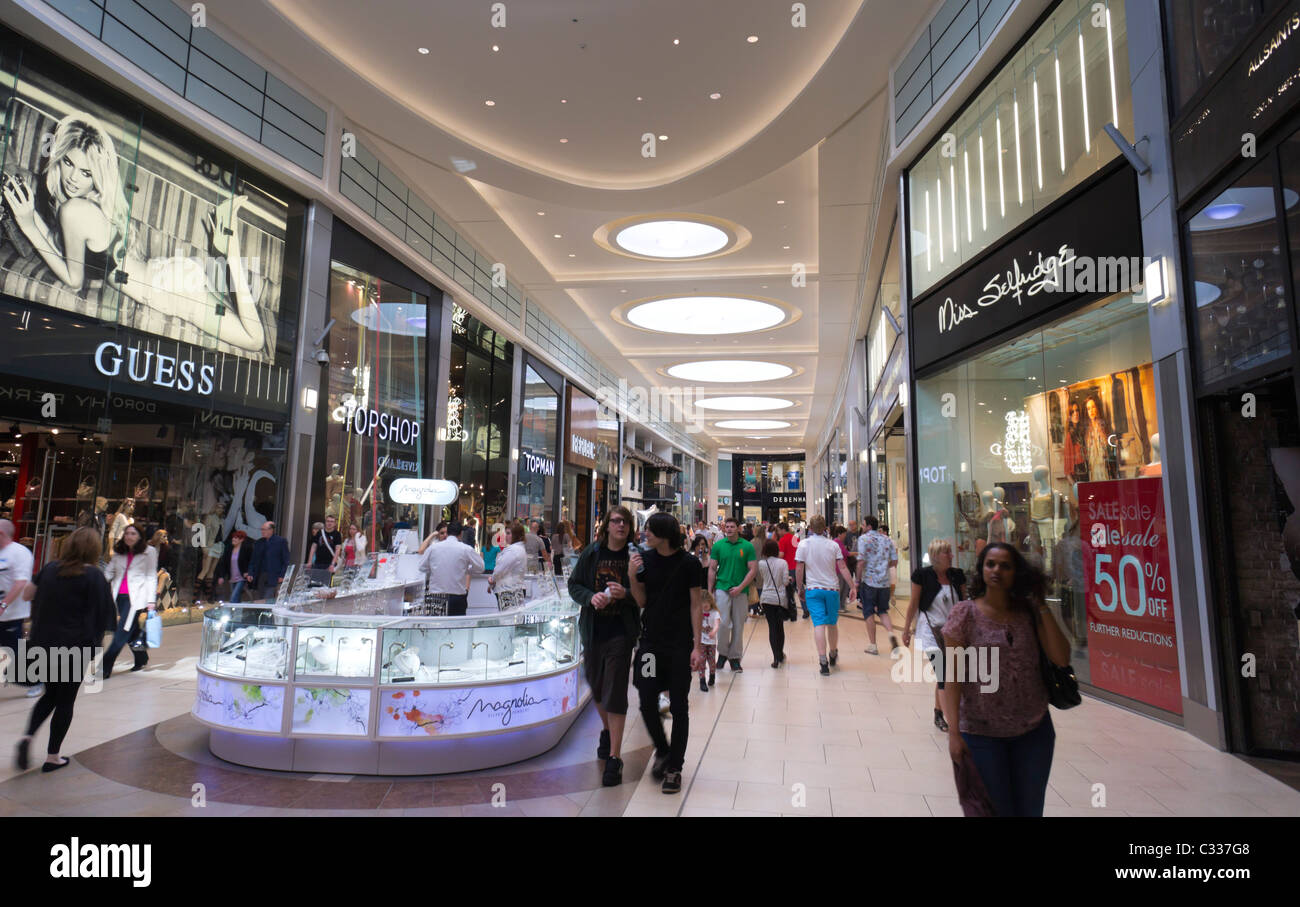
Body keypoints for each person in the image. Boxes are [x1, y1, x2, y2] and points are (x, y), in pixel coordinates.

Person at [1, 114, 269, 352]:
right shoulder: (83, 204)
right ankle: (226, 245)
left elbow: (73, 279)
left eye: (86, 172)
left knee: (254, 340)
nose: (73, 178)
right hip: (165, 276)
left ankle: (230, 247)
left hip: (169, 290)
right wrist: (30, 216)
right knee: (241, 315)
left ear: (97, 175)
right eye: (69, 163)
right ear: (59, 158)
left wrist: (27, 224)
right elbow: (63, 250)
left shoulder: (74, 209)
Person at [942, 542, 1070, 817]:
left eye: (1005, 565)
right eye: (990, 564)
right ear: (981, 570)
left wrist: (1041, 606)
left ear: (1016, 573)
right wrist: (954, 733)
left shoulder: (1029, 613)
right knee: (996, 811)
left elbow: (1061, 658)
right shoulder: (965, 614)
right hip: (981, 734)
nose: (996, 570)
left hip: (1034, 731)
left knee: (1030, 810)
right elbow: (951, 678)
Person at [13, 527, 115, 773]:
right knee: (65, 701)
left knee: (49, 694)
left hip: (44, 643)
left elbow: (27, 595)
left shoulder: (50, 569)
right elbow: (107, 616)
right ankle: (52, 757)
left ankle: (27, 737)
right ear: (94, 549)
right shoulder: (95, 576)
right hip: (75, 647)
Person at [627, 512, 705, 794]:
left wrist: (697, 646)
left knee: (679, 706)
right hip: (650, 644)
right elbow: (641, 601)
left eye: (649, 530)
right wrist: (632, 577)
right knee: (647, 698)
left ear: (664, 534)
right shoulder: (644, 561)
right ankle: (662, 749)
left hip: (679, 645)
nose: (644, 534)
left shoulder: (689, 564)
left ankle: (675, 767)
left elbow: (696, 604)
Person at [567, 506, 639, 786]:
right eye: (616, 521)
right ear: (607, 525)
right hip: (594, 630)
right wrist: (590, 597)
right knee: (596, 686)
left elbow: (645, 594)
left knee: (616, 690)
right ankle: (607, 730)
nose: (620, 525)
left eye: (625, 522)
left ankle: (615, 758)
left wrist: (628, 594)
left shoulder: (635, 557)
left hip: (622, 632)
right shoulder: (592, 553)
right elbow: (574, 585)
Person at [902, 538, 967, 732]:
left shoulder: (957, 575)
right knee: (944, 673)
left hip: (953, 633)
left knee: (949, 675)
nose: (951, 555)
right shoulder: (922, 575)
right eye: (947, 552)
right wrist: (906, 630)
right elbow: (913, 603)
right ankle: (953, 722)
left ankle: (939, 712)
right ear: (936, 556)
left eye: (950, 552)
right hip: (930, 631)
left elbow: (964, 602)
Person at [795, 515, 857, 675]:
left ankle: (823, 661)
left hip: (813, 589)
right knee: (832, 623)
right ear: (825, 528)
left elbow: (799, 568)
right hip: (832, 590)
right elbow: (843, 567)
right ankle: (833, 652)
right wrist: (852, 586)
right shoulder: (833, 545)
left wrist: (799, 587)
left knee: (819, 625)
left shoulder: (803, 545)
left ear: (810, 528)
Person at [101, 524, 157, 678]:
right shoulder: (119, 553)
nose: (129, 536)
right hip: (119, 596)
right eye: (127, 533)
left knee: (122, 630)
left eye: (133, 533)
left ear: (140, 536)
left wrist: (151, 601)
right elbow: (109, 571)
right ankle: (141, 657)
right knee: (132, 630)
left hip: (137, 598)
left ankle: (106, 665)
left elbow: (151, 576)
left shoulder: (149, 552)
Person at [708, 517, 757, 673]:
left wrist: (741, 586)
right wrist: (710, 590)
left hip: (741, 591)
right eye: (726, 526)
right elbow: (712, 569)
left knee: (738, 625)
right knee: (722, 624)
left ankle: (734, 657)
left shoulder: (747, 546)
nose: (728, 529)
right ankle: (722, 654)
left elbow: (753, 569)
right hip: (722, 588)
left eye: (732, 527)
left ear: (738, 529)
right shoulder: (718, 546)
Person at [418, 521, 484, 616]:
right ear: (461, 534)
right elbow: (480, 567)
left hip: (436, 596)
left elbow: (421, 567)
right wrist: (466, 570)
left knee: (435, 627)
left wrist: (434, 569)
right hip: (457, 596)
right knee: (456, 627)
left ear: (447, 533)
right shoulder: (466, 549)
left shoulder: (433, 548)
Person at [856, 516, 900, 655]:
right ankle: (892, 635)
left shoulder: (863, 539)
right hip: (884, 582)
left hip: (869, 581)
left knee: (868, 612)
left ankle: (873, 645)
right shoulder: (887, 539)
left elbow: (861, 561)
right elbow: (894, 562)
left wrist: (857, 580)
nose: (862, 527)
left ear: (869, 526)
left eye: (863, 524)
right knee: (882, 611)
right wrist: (883, 567)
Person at [0, 520, 34, 689]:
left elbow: (20, 583)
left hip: (12, 613)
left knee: (12, 654)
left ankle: (35, 680)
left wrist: (3, 605)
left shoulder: (20, 553)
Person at [757, 539, 790, 669]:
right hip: (779, 598)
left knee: (772, 627)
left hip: (766, 598)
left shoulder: (761, 563)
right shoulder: (783, 563)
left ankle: (775, 658)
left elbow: (764, 578)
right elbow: (785, 582)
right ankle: (780, 653)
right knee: (779, 627)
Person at [246, 521, 291, 601]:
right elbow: (253, 560)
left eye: (264, 529)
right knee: (260, 597)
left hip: (274, 575)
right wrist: (250, 573)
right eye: (261, 529)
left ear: (271, 530)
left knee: (268, 597)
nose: (262, 532)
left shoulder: (281, 541)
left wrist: (282, 575)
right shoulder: (258, 543)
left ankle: (266, 612)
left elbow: (286, 560)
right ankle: (261, 612)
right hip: (260, 575)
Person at [488, 522, 529, 603]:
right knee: (512, 614)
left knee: (508, 614)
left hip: (509, 590)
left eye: (508, 533)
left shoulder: (513, 550)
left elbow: (500, 569)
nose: (505, 536)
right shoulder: (518, 548)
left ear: (516, 535)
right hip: (514, 589)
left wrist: (492, 579)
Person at [776, 522, 804, 618]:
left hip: (787, 568)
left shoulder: (783, 540)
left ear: (783, 530)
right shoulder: (795, 538)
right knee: (800, 589)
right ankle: (806, 609)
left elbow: (781, 555)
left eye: (779, 530)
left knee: (788, 592)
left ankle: (790, 611)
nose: (778, 532)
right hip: (798, 566)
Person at [214, 530, 251, 602]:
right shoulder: (229, 549)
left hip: (241, 578)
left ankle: (231, 611)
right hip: (232, 578)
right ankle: (237, 612)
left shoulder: (246, 549)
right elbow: (224, 564)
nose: (233, 539)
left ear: (241, 540)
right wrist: (221, 576)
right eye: (233, 537)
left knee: (233, 597)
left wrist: (248, 572)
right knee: (237, 598)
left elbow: (251, 562)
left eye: (236, 538)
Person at [306, 515, 342, 582]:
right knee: (314, 583)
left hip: (329, 563)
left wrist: (332, 564)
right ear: (325, 522)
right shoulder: (319, 533)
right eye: (328, 521)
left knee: (325, 584)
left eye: (332, 521)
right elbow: (313, 547)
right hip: (318, 563)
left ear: (334, 524)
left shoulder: (337, 534)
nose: (329, 523)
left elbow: (337, 550)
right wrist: (309, 561)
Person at [698, 591, 720, 692]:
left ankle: (712, 675)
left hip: (711, 642)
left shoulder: (715, 613)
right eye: (702, 605)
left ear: (711, 602)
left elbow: (716, 625)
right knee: (701, 661)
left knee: (711, 661)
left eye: (706, 604)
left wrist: (713, 632)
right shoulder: (698, 612)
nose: (704, 607)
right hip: (701, 641)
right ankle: (702, 680)